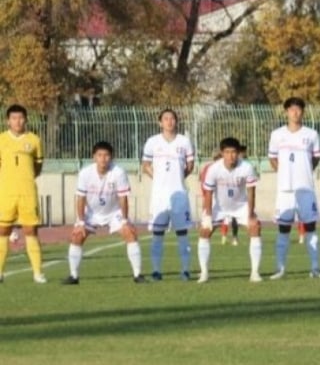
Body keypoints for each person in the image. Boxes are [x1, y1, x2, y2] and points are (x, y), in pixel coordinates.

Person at [62, 141, 145, 284]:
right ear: (94, 157)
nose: (103, 159)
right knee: (76, 236)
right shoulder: (85, 173)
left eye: (106, 155)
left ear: (111, 157)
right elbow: (80, 198)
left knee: (130, 233)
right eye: (99, 155)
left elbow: (123, 198)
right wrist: (80, 222)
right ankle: (73, 276)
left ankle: (138, 275)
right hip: (91, 213)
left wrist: (125, 221)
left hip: (113, 212)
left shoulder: (118, 172)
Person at [268, 97, 320, 279]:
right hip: (285, 189)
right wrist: (284, 172)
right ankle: (280, 269)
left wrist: (304, 171)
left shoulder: (312, 134)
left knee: (310, 227)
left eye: (298, 109)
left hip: (305, 188)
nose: (295, 112)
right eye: (291, 109)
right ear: (286, 112)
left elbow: (315, 159)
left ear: (303, 112)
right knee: (283, 229)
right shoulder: (277, 135)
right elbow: (272, 158)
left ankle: (315, 268)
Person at [198, 137, 262, 283]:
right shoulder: (214, 169)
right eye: (227, 152)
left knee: (255, 228)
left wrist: (251, 214)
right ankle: (204, 273)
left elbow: (251, 191)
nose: (230, 156)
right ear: (222, 153)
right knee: (204, 231)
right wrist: (207, 215)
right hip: (219, 206)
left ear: (238, 153)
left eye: (234, 152)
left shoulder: (247, 167)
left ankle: (255, 273)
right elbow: (208, 192)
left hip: (240, 206)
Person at [142, 109, 195, 281]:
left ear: (176, 121)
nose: (169, 121)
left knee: (182, 233)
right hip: (159, 196)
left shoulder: (184, 141)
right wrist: (158, 178)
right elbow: (146, 165)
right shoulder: (152, 142)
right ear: (160, 122)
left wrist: (178, 178)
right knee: (158, 234)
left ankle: (185, 270)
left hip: (179, 194)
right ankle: (157, 271)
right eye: (165, 119)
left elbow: (190, 165)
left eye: (172, 118)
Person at [0, 104, 46, 283]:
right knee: (3, 231)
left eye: (20, 118)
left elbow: (38, 166)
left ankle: (37, 273)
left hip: (27, 192)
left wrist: (26, 178)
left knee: (31, 231)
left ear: (26, 119)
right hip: (6, 193)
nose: (17, 121)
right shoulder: (1, 139)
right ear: (8, 121)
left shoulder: (34, 140)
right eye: (13, 118)